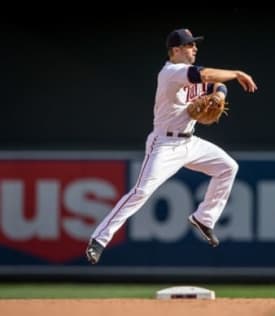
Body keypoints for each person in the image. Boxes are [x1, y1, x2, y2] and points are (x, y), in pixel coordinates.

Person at [85, 28, 257, 264]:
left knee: (228, 167)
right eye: (190, 45)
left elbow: (216, 84)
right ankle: (99, 240)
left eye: (195, 45)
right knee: (141, 192)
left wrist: (220, 97)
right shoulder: (171, 73)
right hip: (164, 144)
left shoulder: (190, 73)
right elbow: (206, 76)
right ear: (176, 50)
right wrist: (237, 73)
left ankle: (204, 218)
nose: (194, 48)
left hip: (190, 141)